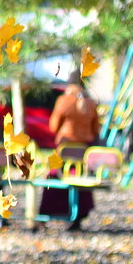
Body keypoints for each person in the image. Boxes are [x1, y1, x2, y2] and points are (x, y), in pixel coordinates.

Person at [40, 70, 100, 230]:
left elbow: (53, 126)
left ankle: (46, 215)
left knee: (53, 178)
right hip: (83, 151)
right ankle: (78, 216)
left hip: (64, 149)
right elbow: (96, 130)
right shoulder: (91, 103)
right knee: (80, 180)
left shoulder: (63, 101)